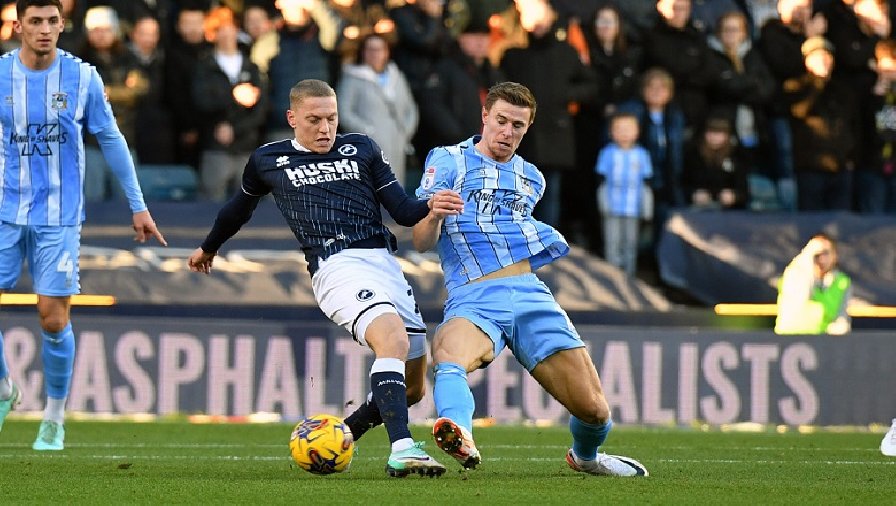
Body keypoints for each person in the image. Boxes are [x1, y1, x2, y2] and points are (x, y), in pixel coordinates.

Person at [187, 79, 463, 478]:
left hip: (384, 264)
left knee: (412, 389)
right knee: (393, 340)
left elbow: (403, 212)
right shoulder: (269, 159)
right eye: (314, 120)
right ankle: (403, 448)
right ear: (292, 118)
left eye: (331, 119)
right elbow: (237, 210)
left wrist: (430, 206)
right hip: (336, 266)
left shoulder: (362, 148)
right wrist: (209, 247)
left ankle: (337, 437)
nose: (324, 128)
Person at [412, 81, 648, 477]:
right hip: (474, 295)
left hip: (529, 294)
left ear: (528, 127)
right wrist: (433, 213)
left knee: (594, 411)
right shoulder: (448, 161)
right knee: (449, 353)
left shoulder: (531, 178)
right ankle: (460, 434)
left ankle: (586, 456)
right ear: (485, 116)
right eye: (501, 121)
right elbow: (420, 242)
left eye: (517, 126)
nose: (507, 132)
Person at [0, 0, 166, 451]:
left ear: (61, 25)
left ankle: (53, 415)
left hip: (60, 216)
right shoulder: (0, 74)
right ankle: (3, 388)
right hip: (4, 210)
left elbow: (111, 139)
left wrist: (138, 205)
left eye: (52, 21)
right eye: (34, 21)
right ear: (18, 26)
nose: (44, 29)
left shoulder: (82, 76)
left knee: (52, 318)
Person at [595, 112, 653, 276]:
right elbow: (602, 181)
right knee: (612, 242)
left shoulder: (642, 154)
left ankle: (629, 276)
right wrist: (602, 203)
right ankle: (613, 277)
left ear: (637, 132)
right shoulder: (607, 153)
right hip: (612, 206)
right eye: (619, 129)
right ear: (611, 132)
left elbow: (646, 183)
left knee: (631, 243)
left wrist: (647, 208)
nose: (624, 133)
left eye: (628, 129)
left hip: (633, 207)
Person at [775, 233, 852, 335]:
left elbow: (841, 315)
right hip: (791, 336)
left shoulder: (842, 281)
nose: (821, 258)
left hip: (823, 338)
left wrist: (839, 327)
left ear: (834, 256)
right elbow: (803, 296)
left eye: (825, 253)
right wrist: (809, 260)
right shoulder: (795, 273)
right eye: (816, 254)